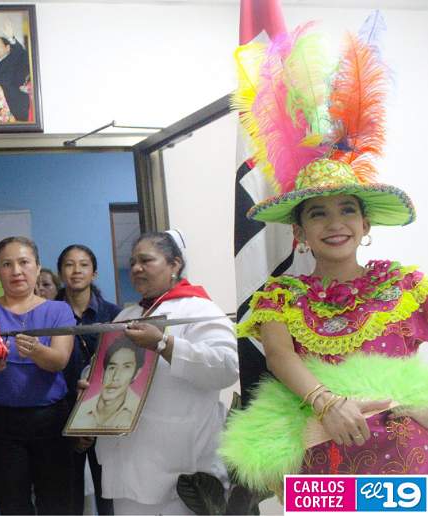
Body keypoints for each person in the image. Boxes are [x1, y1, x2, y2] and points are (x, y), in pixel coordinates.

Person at [220, 20, 428, 494]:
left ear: (365, 224)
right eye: (318, 213)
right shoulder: (281, 295)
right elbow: (278, 356)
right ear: (300, 232)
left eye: (347, 210)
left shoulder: (407, 286)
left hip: (409, 460)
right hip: (324, 455)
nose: (335, 223)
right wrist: (326, 402)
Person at [86, 231, 238, 515]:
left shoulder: (199, 309)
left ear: (175, 264)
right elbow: (102, 365)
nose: (136, 268)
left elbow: (226, 367)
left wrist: (164, 344)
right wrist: (90, 385)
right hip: (125, 469)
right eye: (132, 262)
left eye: (146, 260)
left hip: (180, 468)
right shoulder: (125, 316)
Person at [0, 236, 76, 515]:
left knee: (57, 503)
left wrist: (36, 350)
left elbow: (59, 361)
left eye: (24, 262)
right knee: (12, 504)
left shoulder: (58, 310)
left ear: (38, 267)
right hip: (0, 422)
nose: (16, 271)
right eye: (7, 264)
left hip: (50, 419)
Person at [56, 244, 121, 515]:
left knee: (109, 496)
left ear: (94, 273)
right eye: (69, 264)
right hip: (61, 412)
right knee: (65, 498)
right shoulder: (49, 313)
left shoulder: (114, 314)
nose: (76, 270)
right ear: (61, 272)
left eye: (83, 264)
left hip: (105, 413)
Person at [71, 340, 145, 429]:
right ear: (103, 372)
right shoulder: (83, 409)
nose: (115, 377)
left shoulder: (139, 411)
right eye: (112, 368)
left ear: (136, 374)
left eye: (126, 367)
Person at [0, 20, 31, 121]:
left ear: (7, 48)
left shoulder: (14, 60)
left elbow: (21, 54)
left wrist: (11, 39)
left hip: (15, 109)